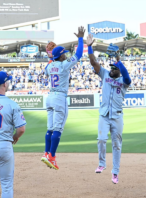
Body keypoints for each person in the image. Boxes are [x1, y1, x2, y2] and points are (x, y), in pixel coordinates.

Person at [87, 35, 131, 184]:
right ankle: (102, 163)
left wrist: (118, 60)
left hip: (117, 117)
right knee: (100, 139)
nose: (111, 70)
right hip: (104, 115)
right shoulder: (105, 74)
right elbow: (93, 62)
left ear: (119, 70)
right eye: (111, 67)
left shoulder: (123, 82)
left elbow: (127, 77)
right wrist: (89, 46)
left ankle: (115, 172)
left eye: (114, 68)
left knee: (117, 145)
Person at [41, 26, 85, 170]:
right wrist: (80, 38)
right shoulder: (64, 65)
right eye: (64, 54)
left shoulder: (49, 66)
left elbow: (47, 70)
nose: (65, 55)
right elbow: (78, 54)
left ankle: (47, 153)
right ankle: (52, 157)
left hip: (49, 97)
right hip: (59, 97)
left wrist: (51, 56)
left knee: (50, 128)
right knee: (58, 129)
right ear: (60, 56)